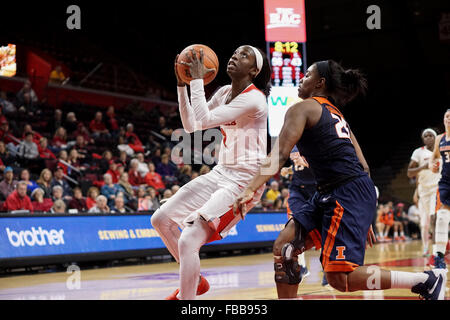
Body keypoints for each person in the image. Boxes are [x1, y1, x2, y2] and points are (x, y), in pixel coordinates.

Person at [234, 60, 446, 300]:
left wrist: (250, 188)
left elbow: (280, 154)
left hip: (344, 191)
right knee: (285, 246)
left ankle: (426, 280)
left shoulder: (302, 109)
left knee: (340, 278)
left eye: (307, 75)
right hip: (336, 191)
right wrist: (363, 215)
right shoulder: (336, 115)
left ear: (320, 83)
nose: (301, 79)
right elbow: (364, 166)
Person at [152, 44, 271, 300]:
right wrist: (182, 85)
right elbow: (193, 125)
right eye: (236, 51)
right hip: (222, 172)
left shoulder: (254, 98)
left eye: (244, 55)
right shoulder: (225, 92)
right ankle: (196, 282)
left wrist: (195, 80)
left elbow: (204, 120)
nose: (235, 55)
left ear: (253, 71)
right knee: (160, 219)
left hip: (244, 182)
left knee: (188, 240)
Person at [407, 128, 440, 256]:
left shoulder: (441, 151)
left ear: (435, 137)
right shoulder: (418, 152)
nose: (428, 138)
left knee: (434, 218)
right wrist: (423, 167)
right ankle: (426, 248)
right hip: (422, 191)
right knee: (424, 224)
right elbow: (409, 173)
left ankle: (437, 250)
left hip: (436, 189)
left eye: (430, 135)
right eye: (425, 136)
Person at [429, 109, 450, 269]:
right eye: (447, 116)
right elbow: (434, 157)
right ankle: (440, 258)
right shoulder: (439, 139)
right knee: (442, 217)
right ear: (443, 120)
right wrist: (432, 166)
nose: (449, 119)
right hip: (445, 181)